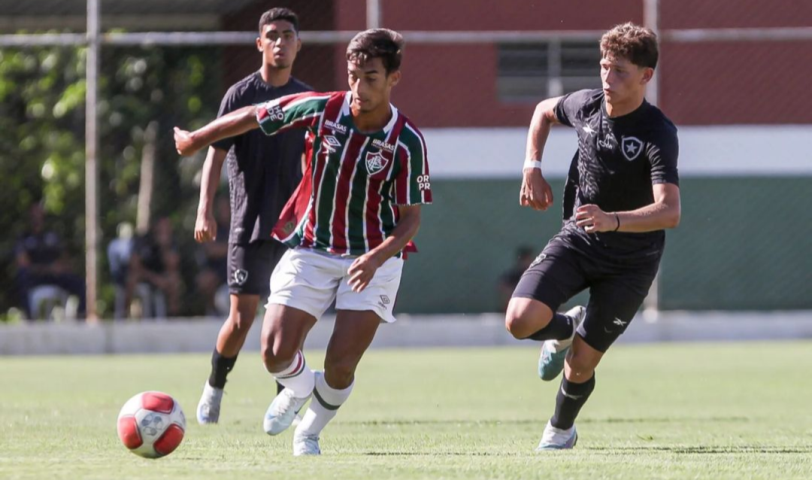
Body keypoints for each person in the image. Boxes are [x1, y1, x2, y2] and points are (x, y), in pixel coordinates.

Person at [174, 28, 432, 456]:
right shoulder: (323, 108)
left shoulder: (407, 142)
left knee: (341, 364)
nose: (359, 87)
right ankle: (296, 388)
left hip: (374, 259)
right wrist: (197, 139)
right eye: (353, 76)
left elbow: (410, 222)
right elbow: (255, 114)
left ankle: (309, 431)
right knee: (274, 352)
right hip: (313, 246)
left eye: (371, 77)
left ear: (393, 80)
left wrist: (376, 257)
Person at [505, 23, 680, 450]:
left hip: (631, 262)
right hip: (580, 240)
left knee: (581, 364)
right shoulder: (586, 105)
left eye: (620, 70)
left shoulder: (657, 132)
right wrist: (532, 166)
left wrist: (612, 219)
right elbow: (543, 111)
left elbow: (669, 211)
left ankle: (560, 430)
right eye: (604, 66)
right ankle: (568, 326)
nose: (607, 78)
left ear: (645, 76)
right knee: (519, 320)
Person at [190, 8, 312, 425]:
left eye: (287, 35)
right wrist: (205, 208)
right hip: (247, 225)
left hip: (293, 229)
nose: (280, 42)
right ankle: (214, 387)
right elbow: (215, 153)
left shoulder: (305, 99)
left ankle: (287, 402)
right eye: (272, 35)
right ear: (260, 43)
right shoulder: (240, 96)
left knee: (285, 322)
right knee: (241, 320)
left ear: (299, 44)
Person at [14, 203, 86, 320]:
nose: (37, 216)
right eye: (34, 213)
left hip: (55, 276)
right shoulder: (24, 237)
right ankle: (29, 318)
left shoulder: (52, 235)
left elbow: (65, 258)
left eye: (39, 213)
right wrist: (47, 268)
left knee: (81, 284)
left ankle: (81, 316)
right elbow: (23, 264)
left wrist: (61, 266)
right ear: (30, 215)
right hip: (35, 277)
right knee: (22, 275)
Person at [125, 217, 182, 318]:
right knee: (132, 278)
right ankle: (125, 313)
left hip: (162, 277)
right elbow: (134, 266)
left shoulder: (171, 242)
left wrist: (165, 247)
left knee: (174, 280)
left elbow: (173, 266)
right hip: (144, 276)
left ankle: (173, 315)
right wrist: (154, 279)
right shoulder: (142, 240)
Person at [194, 195, 230, 316]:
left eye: (226, 207)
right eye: (221, 208)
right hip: (217, 270)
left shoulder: (237, 226)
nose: (223, 211)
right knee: (205, 280)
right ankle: (211, 313)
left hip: (235, 267)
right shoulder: (214, 226)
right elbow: (211, 250)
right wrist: (233, 247)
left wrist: (224, 248)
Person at [497, 246, 534, 312]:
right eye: (525, 259)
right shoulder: (511, 276)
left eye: (529, 259)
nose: (528, 262)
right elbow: (504, 291)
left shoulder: (534, 276)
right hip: (512, 310)